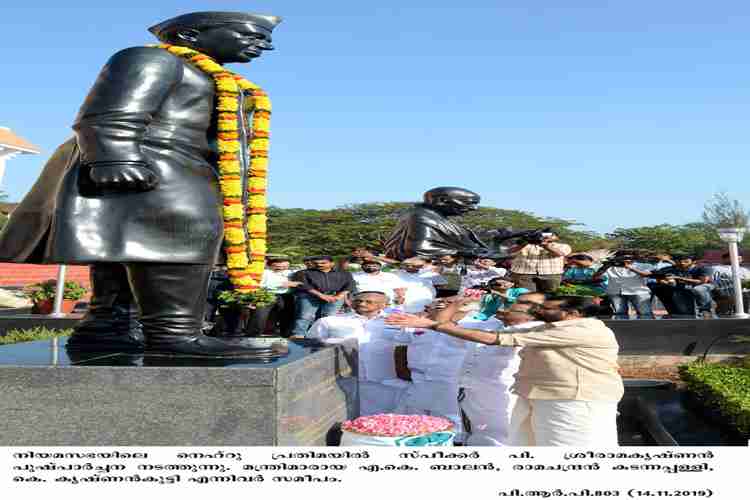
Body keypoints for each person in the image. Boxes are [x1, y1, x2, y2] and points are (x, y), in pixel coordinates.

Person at [0, 12, 284, 356]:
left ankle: (107, 328)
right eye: (250, 35)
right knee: (181, 235)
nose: (264, 45)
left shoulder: (214, 77)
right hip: (151, 163)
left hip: (183, 167)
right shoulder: (152, 58)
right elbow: (108, 112)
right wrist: (114, 157)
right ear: (191, 35)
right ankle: (174, 336)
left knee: (129, 248)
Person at [385, 297, 624, 446]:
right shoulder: (551, 327)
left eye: (546, 307)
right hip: (546, 397)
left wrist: (438, 324)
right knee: (539, 444)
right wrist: (437, 321)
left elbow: (495, 339)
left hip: (574, 400)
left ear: (572, 314)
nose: (539, 310)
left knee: (571, 447)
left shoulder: (581, 328)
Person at [306, 291, 410, 415]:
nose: (362, 303)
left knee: (382, 421)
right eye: (358, 300)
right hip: (342, 382)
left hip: (384, 382)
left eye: (368, 301)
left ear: (384, 305)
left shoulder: (398, 323)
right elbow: (308, 348)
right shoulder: (329, 321)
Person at [458, 308, 543, 446]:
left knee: (504, 433)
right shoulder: (493, 324)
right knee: (476, 431)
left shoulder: (535, 329)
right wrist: (460, 301)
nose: (505, 307)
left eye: (519, 304)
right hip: (473, 391)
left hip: (504, 392)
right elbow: (448, 323)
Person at [384, 187, 491, 261]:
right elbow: (418, 249)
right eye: (469, 203)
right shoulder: (420, 216)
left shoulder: (436, 218)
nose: (474, 208)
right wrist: (466, 252)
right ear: (442, 200)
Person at [290, 255, 355, 337]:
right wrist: (321, 295)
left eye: (323, 263)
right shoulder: (304, 273)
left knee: (329, 318)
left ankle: (324, 336)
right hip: (310, 296)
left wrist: (339, 296)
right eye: (316, 263)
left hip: (335, 296)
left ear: (332, 263)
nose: (319, 265)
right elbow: (304, 285)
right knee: (305, 316)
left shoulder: (344, 273)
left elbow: (350, 284)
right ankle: (298, 335)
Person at [248, 258, 300, 336]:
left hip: (286, 296)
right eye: (278, 266)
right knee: (259, 315)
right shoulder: (264, 273)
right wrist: (281, 284)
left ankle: (286, 335)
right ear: (269, 266)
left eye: (285, 266)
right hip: (266, 295)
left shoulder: (292, 273)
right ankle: (252, 335)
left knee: (287, 315)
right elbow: (258, 285)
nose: (281, 268)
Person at [593, 255, 654, 319]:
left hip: (638, 292)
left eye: (628, 258)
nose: (625, 260)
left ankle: (647, 327)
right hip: (616, 292)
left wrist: (629, 267)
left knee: (645, 313)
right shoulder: (610, 266)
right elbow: (596, 277)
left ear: (633, 258)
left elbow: (646, 274)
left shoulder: (644, 265)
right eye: (622, 258)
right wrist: (604, 267)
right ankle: (623, 328)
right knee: (620, 313)